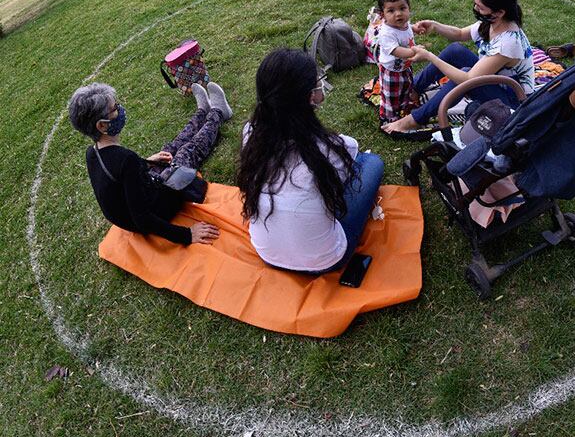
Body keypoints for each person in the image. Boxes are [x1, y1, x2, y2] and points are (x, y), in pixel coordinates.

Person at [238, 49, 384, 274]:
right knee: (372, 162)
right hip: (327, 259)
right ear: (310, 97)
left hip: (267, 253)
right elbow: (352, 153)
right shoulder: (330, 148)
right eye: (318, 85)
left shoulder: (250, 133)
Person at [68, 81, 233, 245]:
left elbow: (119, 176)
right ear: (102, 125)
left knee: (170, 149)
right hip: (161, 208)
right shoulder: (126, 160)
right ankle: (218, 113)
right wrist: (187, 235)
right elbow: (143, 219)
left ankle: (202, 111)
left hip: (145, 194)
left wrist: (146, 162)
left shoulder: (93, 153)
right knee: (187, 152)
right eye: (115, 108)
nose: (120, 109)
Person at [382, 0, 534, 135]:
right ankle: (411, 90)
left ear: (500, 12)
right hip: (499, 84)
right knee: (455, 50)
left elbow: (468, 80)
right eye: (475, 4)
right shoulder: (493, 21)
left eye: (480, 7)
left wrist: (429, 56)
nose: (476, 9)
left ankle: (414, 120)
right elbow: (460, 34)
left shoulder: (509, 42)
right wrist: (435, 25)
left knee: (462, 76)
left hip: (514, 103)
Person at [376, 0, 419, 123]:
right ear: (383, 15)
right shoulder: (386, 33)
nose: (398, 14)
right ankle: (389, 117)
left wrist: (414, 28)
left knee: (406, 87)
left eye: (402, 8)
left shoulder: (404, 24)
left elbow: (406, 31)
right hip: (391, 72)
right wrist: (415, 51)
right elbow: (396, 51)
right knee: (391, 96)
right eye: (391, 10)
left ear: (409, 8)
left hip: (404, 67)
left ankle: (404, 105)